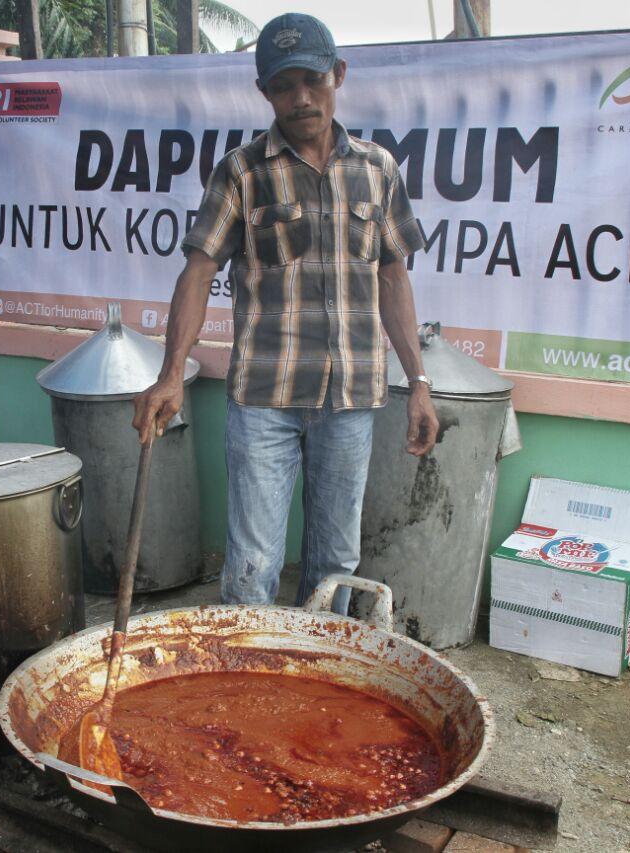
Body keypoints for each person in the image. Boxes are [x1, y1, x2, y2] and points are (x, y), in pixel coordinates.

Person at [133, 12, 439, 615]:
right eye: (283, 85)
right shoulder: (243, 173)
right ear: (264, 92)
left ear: (338, 75)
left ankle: (313, 696)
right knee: (252, 569)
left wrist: (420, 383)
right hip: (264, 401)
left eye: (313, 80)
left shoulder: (378, 169)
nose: (301, 98)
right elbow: (198, 272)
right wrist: (172, 373)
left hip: (351, 398)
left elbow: (392, 276)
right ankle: (249, 695)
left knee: (335, 568)